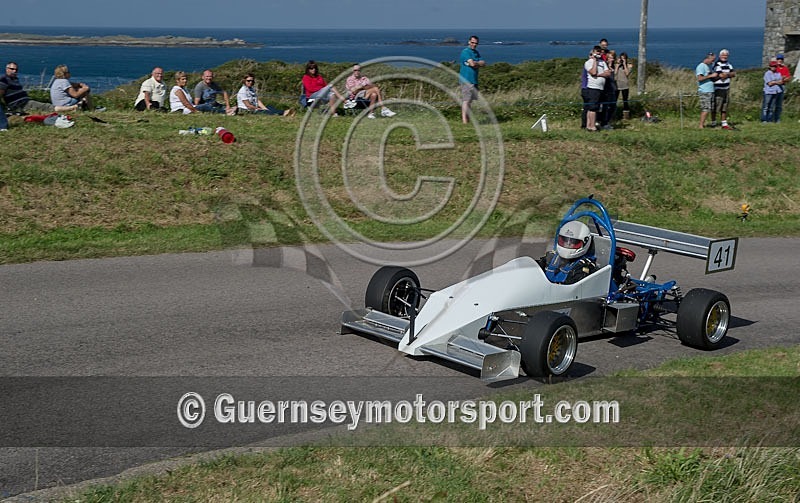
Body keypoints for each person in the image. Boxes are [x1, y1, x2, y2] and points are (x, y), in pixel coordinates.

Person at [1, 62, 77, 114]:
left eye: (16, 69)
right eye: (12, 69)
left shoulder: (15, 79)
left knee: (41, 105)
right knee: (46, 107)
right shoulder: (4, 79)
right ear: (7, 69)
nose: (14, 71)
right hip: (20, 104)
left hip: (25, 101)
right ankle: (72, 108)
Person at [537, 220, 597, 285]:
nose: (567, 244)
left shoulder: (583, 267)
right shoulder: (551, 258)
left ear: (585, 242)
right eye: (564, 241)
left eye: (573, 242)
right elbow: (535, 269)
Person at [583, 45, 610, 132]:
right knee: (592, 108)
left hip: (601, 88)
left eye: (599, 51)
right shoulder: (588, 62)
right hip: (593, 88)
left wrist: (599, 75)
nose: (598, 53)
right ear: (593, 52)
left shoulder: (603, 62)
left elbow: (608, 73)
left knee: (595, 107)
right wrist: (594, 61)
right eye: (596, 51)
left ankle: (590, 125)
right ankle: (591, 126)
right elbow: (593, 72)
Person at [459, 35, 485, 124]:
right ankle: (464, 121)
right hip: (466, 79)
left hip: (474, 79)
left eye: (476, 43)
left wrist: (475, 63)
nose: (474, 44)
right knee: (466, 100)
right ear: (469, 42)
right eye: (472, 42)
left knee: (470, 101)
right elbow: (473, 64)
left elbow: (483, 63)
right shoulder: (465, 52)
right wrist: (477, 63)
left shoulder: (476, 53)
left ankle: (468, 120)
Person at [711, 49, 736, 129]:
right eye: (723, 55)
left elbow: (733, 73)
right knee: (716, 106)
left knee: (725, 106)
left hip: (726, 87)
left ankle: (724, 123)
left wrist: (727, 74)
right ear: (720, 55)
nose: (724, 57)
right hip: (718, 88)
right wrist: (728, 74)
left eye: (726, 55)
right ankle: (713, 122)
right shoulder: (716, 64)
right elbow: (721, 75)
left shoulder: (729, 64)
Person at [695, 52, 718, 129]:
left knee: (710, 108)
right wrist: (711, 75)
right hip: (705, 91)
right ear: (707, 58)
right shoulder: (701, 66)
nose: (713, 62)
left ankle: (709, 123)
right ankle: (701, 125)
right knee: (705, 108)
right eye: (712, 60)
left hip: (710, 90)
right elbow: (700, 78)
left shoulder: (707, 67)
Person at [599, 50, 618, 129]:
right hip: (606, 89)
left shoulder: (614, 67)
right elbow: (607, 76)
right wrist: (609, 66)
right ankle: (603, 122)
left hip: (613, 89)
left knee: (613, 107)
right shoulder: (604, 66)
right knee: (605, 107)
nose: (612, 59)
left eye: (613, 58)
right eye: (610, 58)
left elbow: (615, 77)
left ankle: (607, 121)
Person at [774, 53, 792, 123]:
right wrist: (782, 78)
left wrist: (783, 79)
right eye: (778, 59)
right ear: (776, 60)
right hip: (774, 86)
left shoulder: (785, 68)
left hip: (782, 86)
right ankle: (770, 118)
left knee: (779, 104)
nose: (780, 60)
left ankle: (777, 119)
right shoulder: (775, 67)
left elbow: (788, 78)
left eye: (781, 59)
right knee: (772, 103)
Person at [615, 52, 632, 119]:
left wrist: (624, 64)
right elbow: (615, 73)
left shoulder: (629, 65)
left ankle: (626, 116)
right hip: (617, 85)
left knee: (625, 100)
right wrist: (617, 65)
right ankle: (615, 114)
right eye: (621, 58)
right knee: (614, 100)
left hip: (625, 85)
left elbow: (627, 73)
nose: (622, 60)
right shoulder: (617, 65)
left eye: (624, 58)